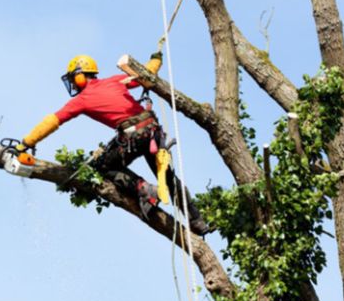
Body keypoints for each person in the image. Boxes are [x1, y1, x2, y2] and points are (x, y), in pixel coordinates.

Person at [17, 53, 212, 235]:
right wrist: (156, 58)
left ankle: (144, 189)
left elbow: (53, 120)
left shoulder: (82, 100)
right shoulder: (114, 81)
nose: (74, 86)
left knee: (102, 167)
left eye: (73, 80)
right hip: (152, 131)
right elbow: (147, 72)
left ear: (80, 76)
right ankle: (197, 221)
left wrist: (26, 143)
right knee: (168, 178)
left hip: (133, 136)